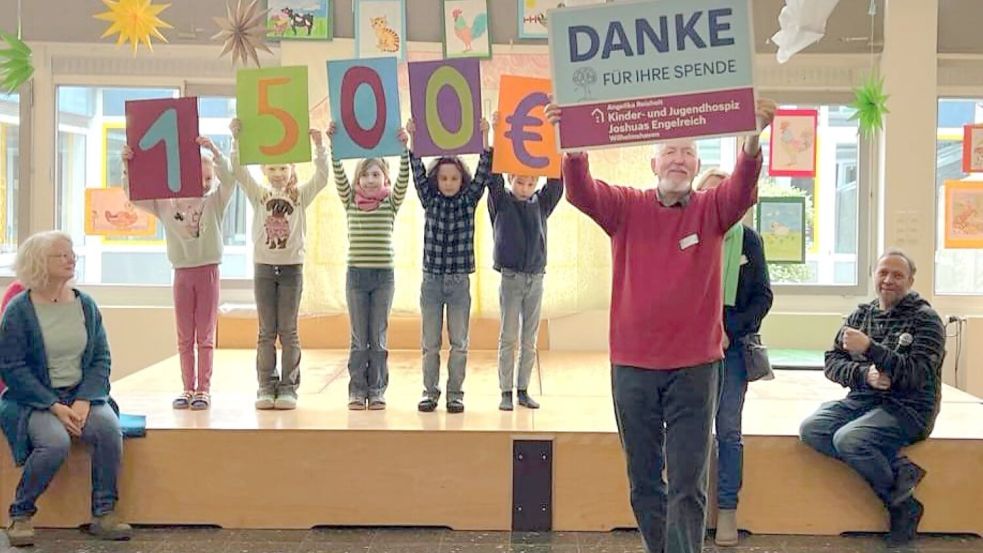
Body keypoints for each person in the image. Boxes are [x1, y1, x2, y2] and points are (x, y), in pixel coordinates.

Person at [545, 98, 775, 553]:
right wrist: (571, 146)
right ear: (652, 162)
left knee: (688, 483)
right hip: (633, 366)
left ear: (697, 164)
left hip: (696, 368)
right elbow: (582, 192)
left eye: (688, 152)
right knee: (644, 480)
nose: (679, 159)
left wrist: (753, 140)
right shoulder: (626, 207)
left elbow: (742, 191)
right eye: (670, 151)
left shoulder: (712, 210)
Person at [799, 249, 944, 547]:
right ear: (874, 276)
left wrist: (871, 348)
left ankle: (902, 507)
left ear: (911, 280)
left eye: (898, 275)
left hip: (909, 408)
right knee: (812, 429)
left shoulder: (927, 320)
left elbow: (919, 376)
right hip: (864, 400)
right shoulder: (860, 315)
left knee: (850, 439)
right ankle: (899, 474)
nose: (889, 280)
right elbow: (832, 363)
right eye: (883, 273)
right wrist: (865, 375)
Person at [0, 231, 131, 546]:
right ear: (39, 263)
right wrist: (53, 405)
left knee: (109, 430)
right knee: (54, 442)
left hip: (81, 394)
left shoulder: (85, 305)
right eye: (61, 255)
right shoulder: (19, 310)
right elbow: (12, 367)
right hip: (34, 400)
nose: (71, 258)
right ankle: (20, 513)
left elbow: (100, 358)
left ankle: (104, 513)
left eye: (71, 253)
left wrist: (86, 399)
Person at [122, 137, 236, 410]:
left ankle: (203, 389)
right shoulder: (166, 203)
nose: (206, 182)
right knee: (185, 335)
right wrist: (127, 165)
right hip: (182, 273)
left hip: (207, 270)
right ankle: (187, 387)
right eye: (200, 177)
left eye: (209, 178)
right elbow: (134, 194)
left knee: (205, 335)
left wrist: (215, 152)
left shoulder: (215, 201)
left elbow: (230, 180)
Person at [694, 169, 774, 546]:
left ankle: (727, 509)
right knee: (688, 433)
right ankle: (688, 509)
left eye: (720, 193)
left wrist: (731, 330)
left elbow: (763, 297)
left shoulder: (749, 240)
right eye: (707, 193)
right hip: (688, 350)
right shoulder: (686, 235)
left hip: (732, 350)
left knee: (728, 430)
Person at [230, 119, 329, 410]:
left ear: (292, 171)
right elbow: (238, 170)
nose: (277, 174)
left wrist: (319, 146)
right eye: (272, 168)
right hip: (263, 267)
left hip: (291, 270)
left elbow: (322, 177)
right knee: (266, 331)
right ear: (263, 171)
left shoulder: (299, 197)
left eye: (283, 168)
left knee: (288, 330)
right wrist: (236, 138)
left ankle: (288, 386)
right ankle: (265, 385)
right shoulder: (259, 194)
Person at [406, 117, 492, 414]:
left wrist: (484, 137)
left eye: (454, 178)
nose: (448, 183)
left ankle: (455, 393)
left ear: (461, 180)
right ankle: (430, 392)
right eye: (443, 178)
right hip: (431, 281)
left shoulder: (468, 200)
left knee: (459, 342)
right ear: (436, 180)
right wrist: (414, 139)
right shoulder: (430, 200)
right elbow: (416, 171)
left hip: (458, 283)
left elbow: (483, 173)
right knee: (430, 343)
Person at [326, 122, 410, 410]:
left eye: (376, 174)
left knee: (378, 336)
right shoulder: (351, 201)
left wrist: (404, 148)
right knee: (359, 337)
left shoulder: (390, 203)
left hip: (383, 277)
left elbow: (403, 182)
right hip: (357, 277)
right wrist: (334, 144)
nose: (371, 180)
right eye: (365, 174)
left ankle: (377, 390)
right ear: (358, 179)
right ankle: (356, 390)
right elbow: (337, 173)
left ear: (384, 177)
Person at [488, 112, 564, 411]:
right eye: (520, 182)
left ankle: (522, 388)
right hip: (510, 278)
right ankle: (505, 390)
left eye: (531, 182)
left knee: (529, 338)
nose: (525, 187)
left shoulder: (541, 203)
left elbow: (557, 184)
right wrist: (495, 134)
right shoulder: (502, 202)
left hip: (536, 278)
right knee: (509, 336)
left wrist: (555, 141)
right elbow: (491, 180)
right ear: (511, 179)